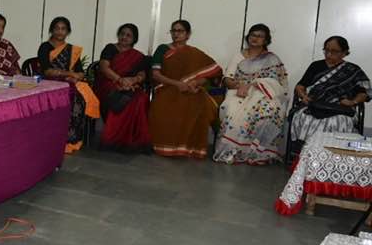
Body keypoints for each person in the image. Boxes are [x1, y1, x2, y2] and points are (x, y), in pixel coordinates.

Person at [213, 24, 289, 164]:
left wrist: (252, 85)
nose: (255, 38)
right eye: (253, 35)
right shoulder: (239, 56)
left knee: (270, 110)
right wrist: (239, 85)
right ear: (248, 37)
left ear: (266, 41)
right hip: (238, 92)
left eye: (260, 36)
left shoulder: (272, 59)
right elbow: (227, 79)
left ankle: (258, 153)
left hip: (262, 93)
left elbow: (278, 84)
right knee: (232, 109)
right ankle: (234, 151)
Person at [148, 20, 223, 159]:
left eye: (180, 31)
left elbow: (213, 73)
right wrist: (177, 84)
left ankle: (189, 148)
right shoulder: (162, 49)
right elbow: (155, 74)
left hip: (190, 89)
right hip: (167, 87)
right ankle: (168, 146)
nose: (176, 34)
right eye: (173, 31)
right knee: (167, 105)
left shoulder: (194, 53)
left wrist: (196, 82)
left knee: (198, 102)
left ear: (188, 34)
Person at [289, 35, 369, 147]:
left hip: (340, 108)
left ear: (344, 52)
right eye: (326, 50)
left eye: (334, 51)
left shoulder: (353, 70)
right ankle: (308, 153)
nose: (328, 54)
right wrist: (303, 96)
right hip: (314, 105)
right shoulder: (316, 66)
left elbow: (364, 93)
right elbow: (300, 86)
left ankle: (332, 155)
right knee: (306, 118)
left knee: (338, 122)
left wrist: (352, 102)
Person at [38, 17, 101, 153]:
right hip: (50, 83)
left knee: (79, 98)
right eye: (57, 28)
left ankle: (72, 139)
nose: (60, 32)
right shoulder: (45, 47)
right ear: (52, 30)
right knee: (72, 97)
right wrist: (69, 74)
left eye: (63, 29)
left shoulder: (71, 50)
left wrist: (75, 76)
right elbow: (47, 70)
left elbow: (80, 73)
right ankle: (59, 139)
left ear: (68, 31)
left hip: (68, 82)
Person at [93, 23, 151, 152]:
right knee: (119, 97)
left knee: (141, 98)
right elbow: (104, 68)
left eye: (128, 35)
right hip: (109, 83)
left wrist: (134, 80)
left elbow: (142, 74)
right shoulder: (110, 48)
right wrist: (120, 80)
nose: (124, 37)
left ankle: (134, 140)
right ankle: (113, 139)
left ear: (134, 39)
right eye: (122, 34)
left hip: (130, 84)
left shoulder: (138, 56)